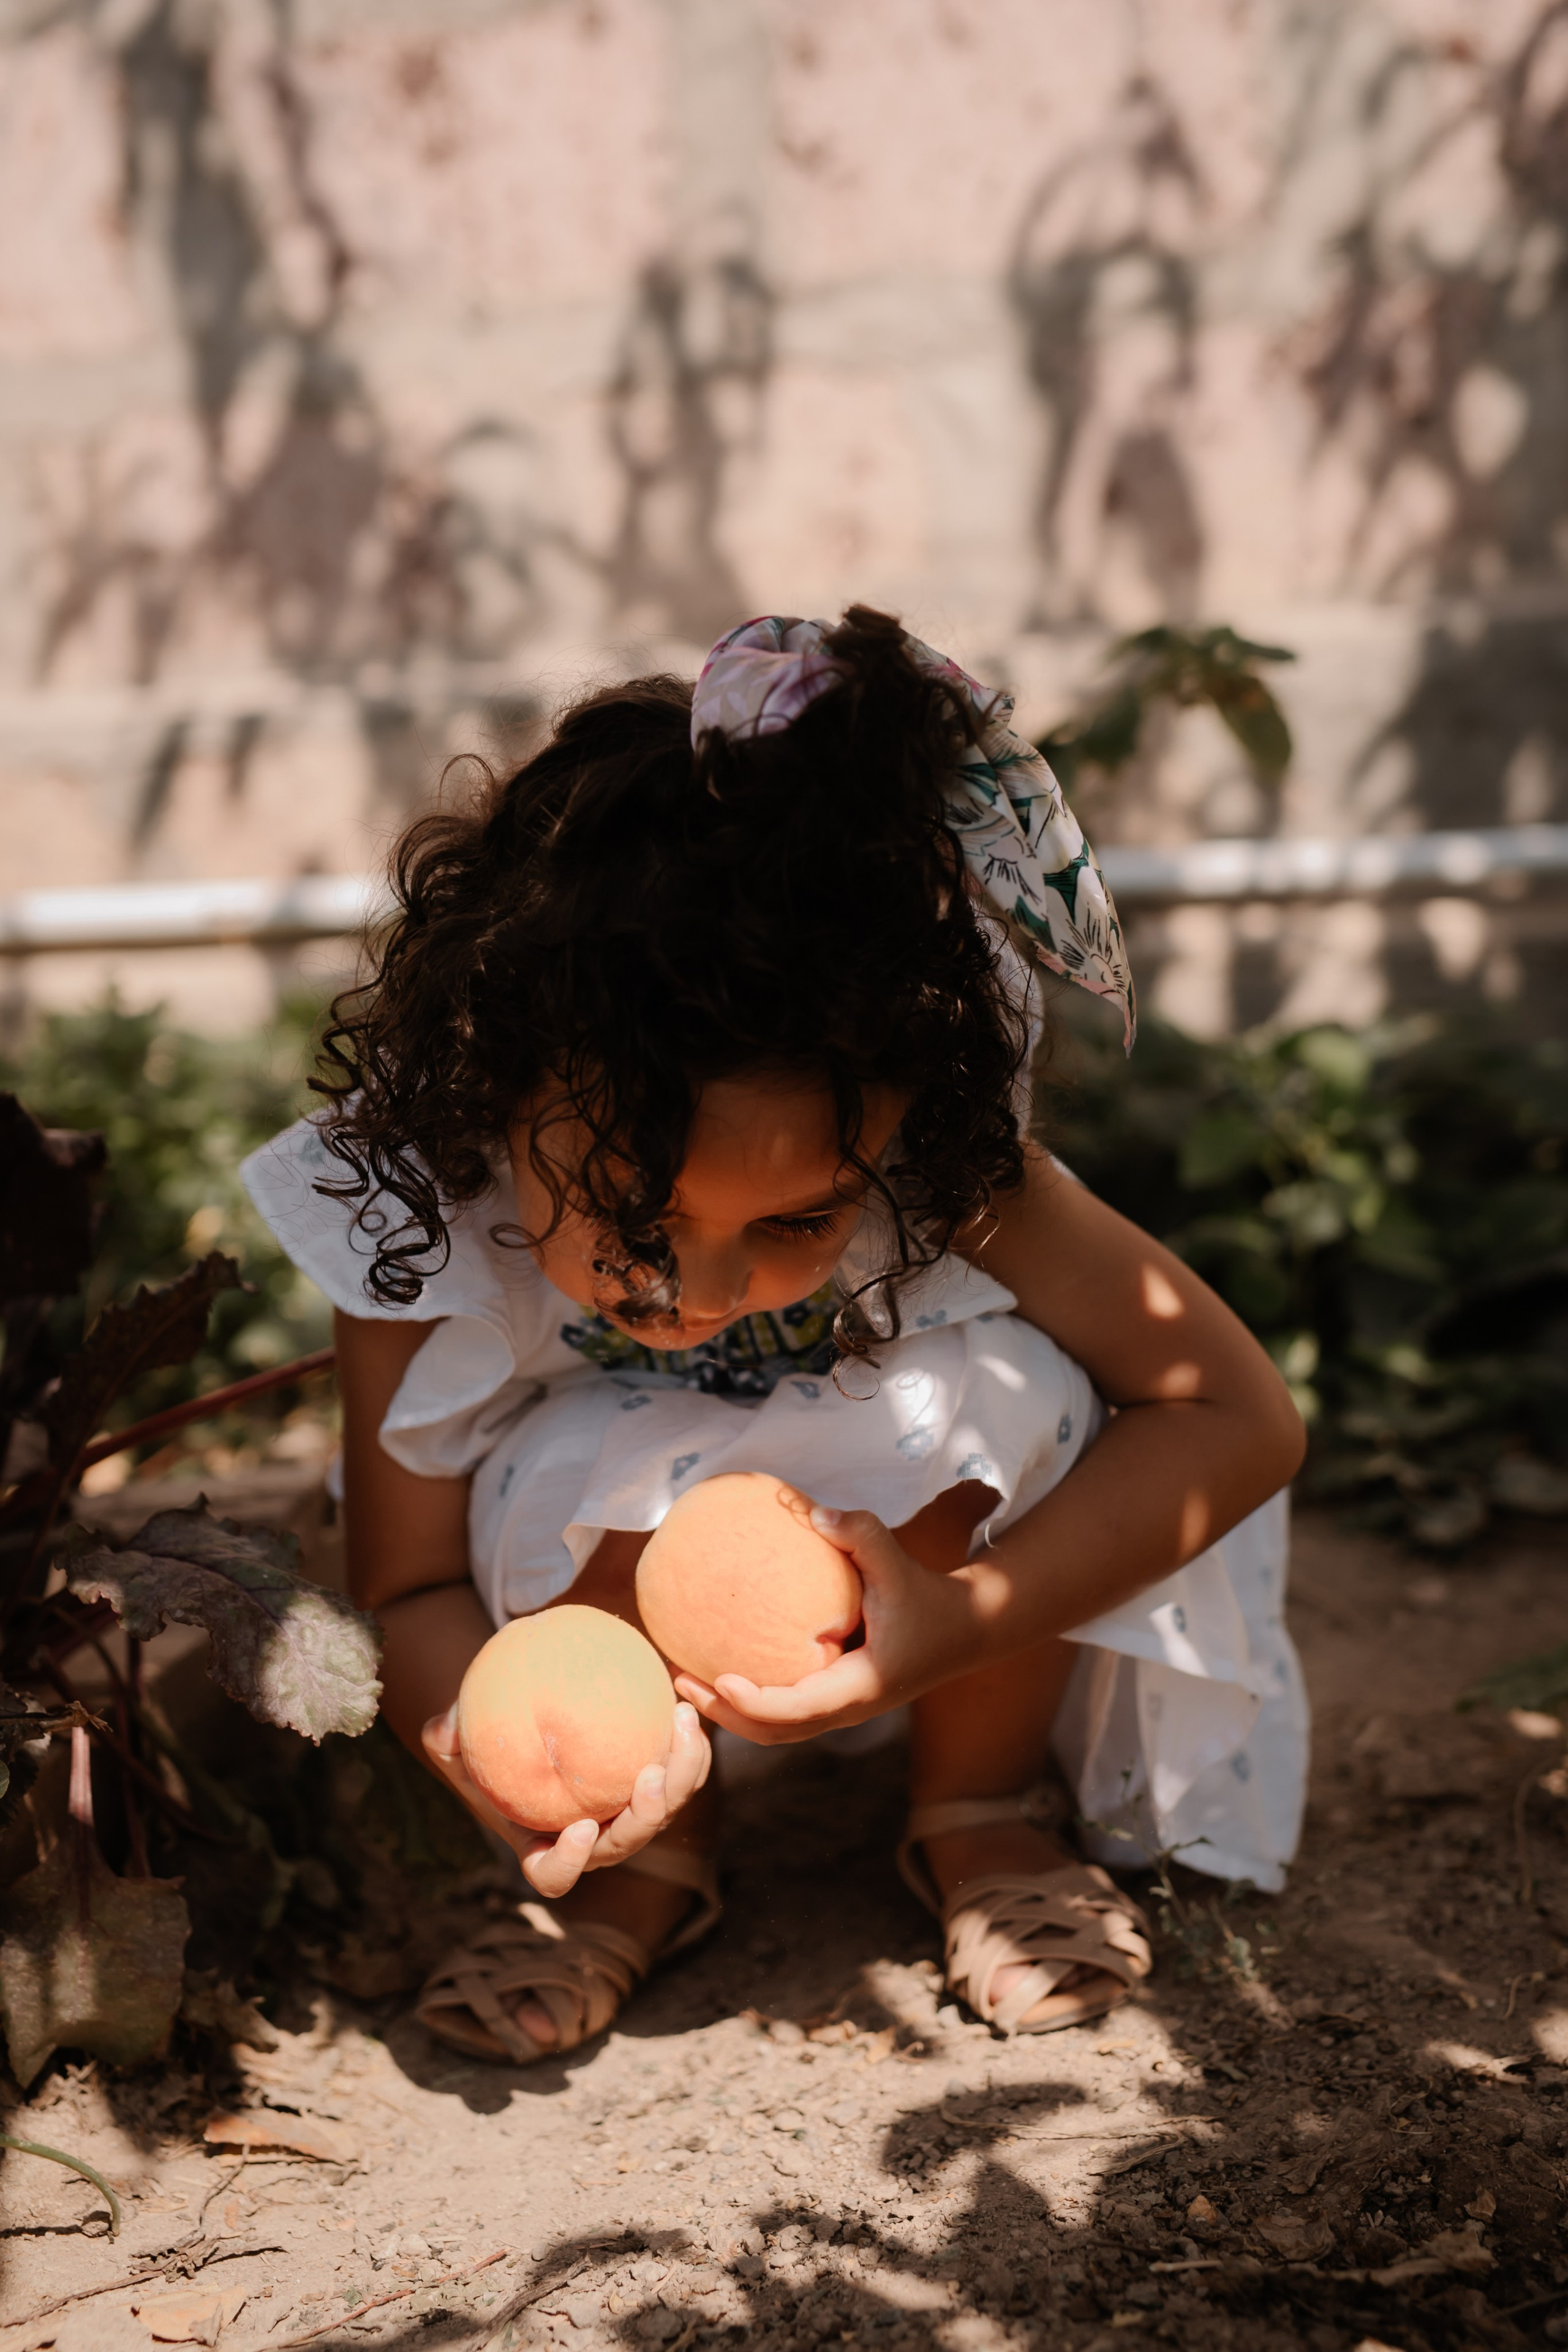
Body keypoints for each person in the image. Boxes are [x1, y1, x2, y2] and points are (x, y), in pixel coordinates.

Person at [243, 606, 1308, 2066]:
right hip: (595, 1590)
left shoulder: (937, 1168)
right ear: (495, 1090)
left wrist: (964, 1622)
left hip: (914, 1602)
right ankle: (645, 1860)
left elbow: (1232, 1417)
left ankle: (976, 1808)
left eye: (793, 1224)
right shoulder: (426, 1214)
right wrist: (505, 1769)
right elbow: (414, 1581)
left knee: (1001, 1391)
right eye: (631, 1212)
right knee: (563, 1461)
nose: (694, 1287)